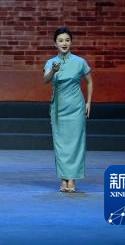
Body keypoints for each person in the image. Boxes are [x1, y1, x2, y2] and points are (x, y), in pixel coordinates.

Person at [43, 27, 93, 193]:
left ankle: (72, 179)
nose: (64, 43)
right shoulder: (51, 62)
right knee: (61, 144)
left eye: (67, 40)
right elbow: (45, 80)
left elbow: (89, 82)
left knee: (76, 143)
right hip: (58, 107)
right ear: (55, 44)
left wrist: (89, 102)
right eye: (60, 40)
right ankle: (63, 179)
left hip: (76, 107)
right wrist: (53, 70)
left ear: (71, 42)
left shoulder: (80, 62)